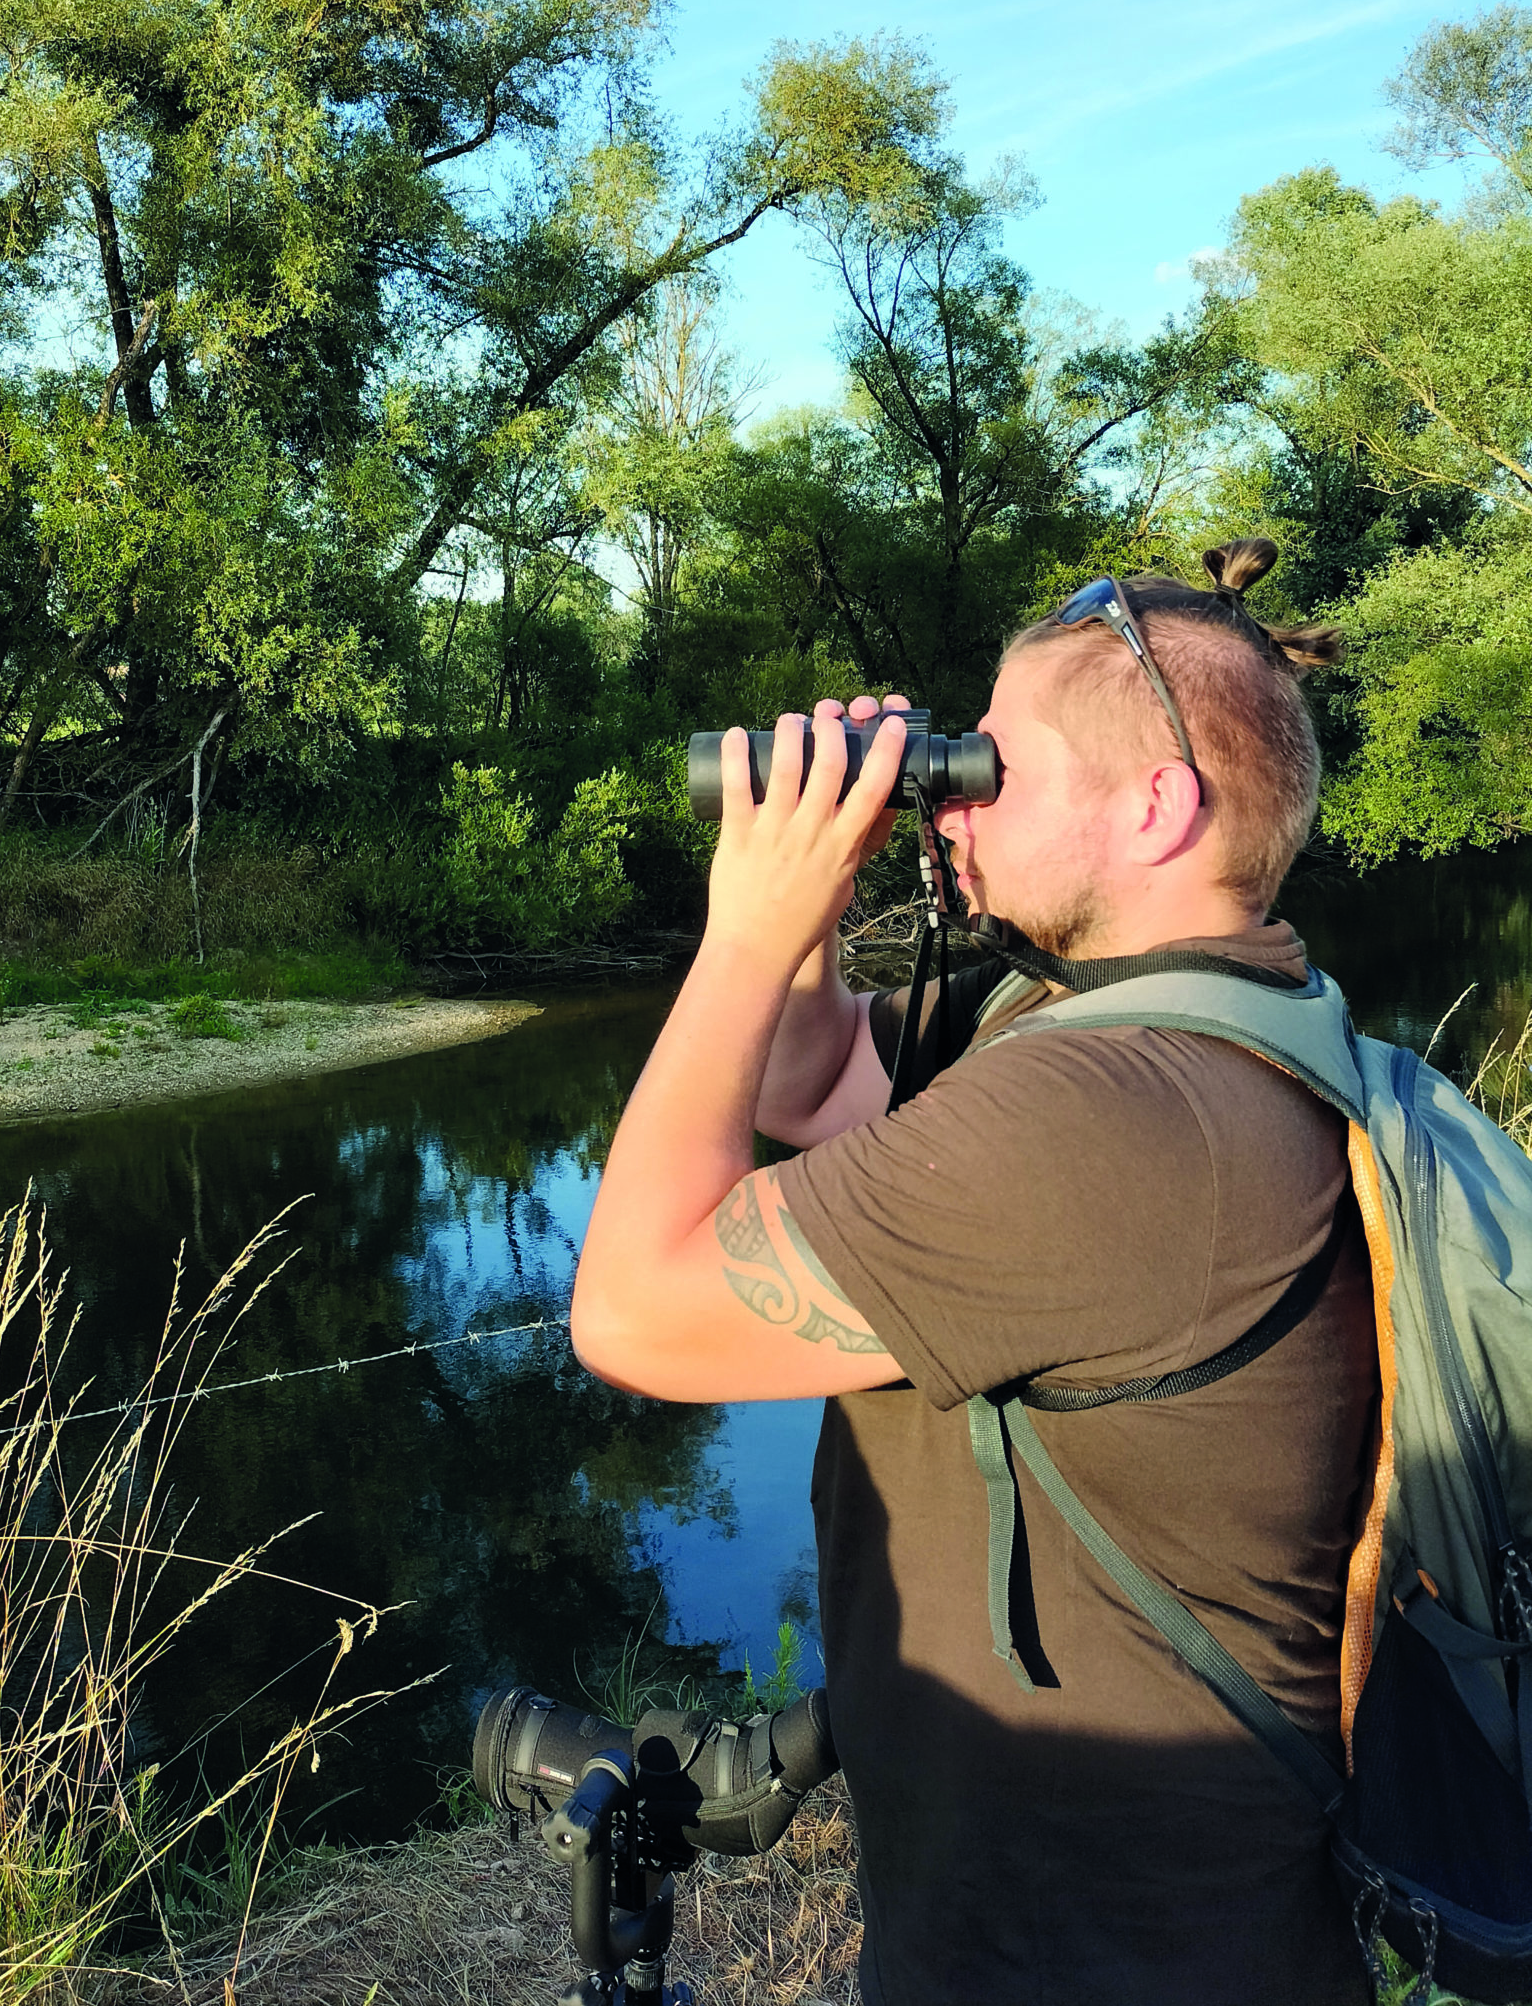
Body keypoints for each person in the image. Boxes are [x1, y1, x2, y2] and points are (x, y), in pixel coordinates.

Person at [569, 542, 1379, 2006]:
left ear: (1159, 804)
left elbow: (633, 1309)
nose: (956, 795)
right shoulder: (1121, 1015)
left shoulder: (1121, 1120)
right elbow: (811, 1089)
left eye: (994, 764)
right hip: (1079, 1924)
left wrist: (742, 926)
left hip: (1118, 1962)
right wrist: (814, 908)